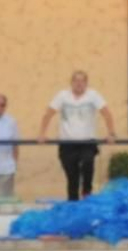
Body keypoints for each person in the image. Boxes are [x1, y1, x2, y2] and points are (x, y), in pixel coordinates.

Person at [38, 70, 114, 201]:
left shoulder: (93, 95)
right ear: (71, 83)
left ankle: (86, 191)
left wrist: (111, 133)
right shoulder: (62, 96)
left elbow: (106, 113)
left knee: (88, 162)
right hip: (67, 143)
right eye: (76, 81)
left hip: (87, 141)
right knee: (72, 177)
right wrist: (42, 134)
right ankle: (73, 204)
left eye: (82, 81)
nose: (79, 84)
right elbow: (48, 114)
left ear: (86, 83)